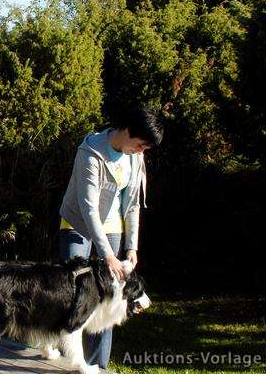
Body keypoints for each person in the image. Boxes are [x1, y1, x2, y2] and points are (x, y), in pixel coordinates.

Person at [57, 107, 163, 370]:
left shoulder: (135, 157)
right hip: (78, 224)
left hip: (113, 226)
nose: (140, 151)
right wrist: (107, 254)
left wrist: (131, 246)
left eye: (144, 149)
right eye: (139, 145)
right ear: (128, 132)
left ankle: (97, 366)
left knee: (111, 298)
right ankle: (66, 360)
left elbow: (133, 204)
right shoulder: (90, 152)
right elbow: (88, 207)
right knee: (72, 294)